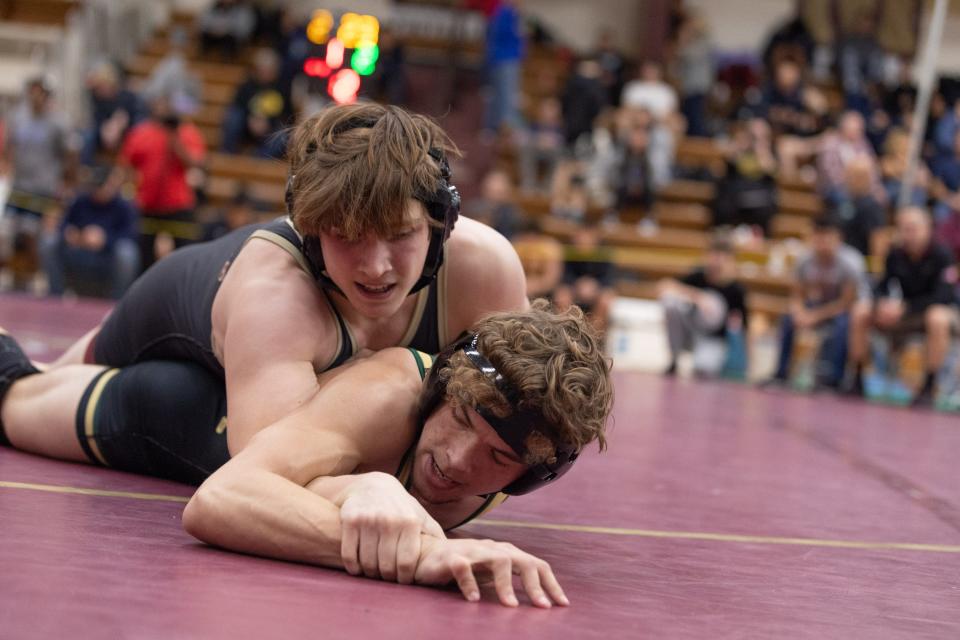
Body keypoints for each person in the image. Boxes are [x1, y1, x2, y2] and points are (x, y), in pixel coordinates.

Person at [0, 301, 613, 607]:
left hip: (261, 434)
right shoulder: (393, 391)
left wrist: (370, 491)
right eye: (459, 420)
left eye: (497, 458)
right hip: (170, 413)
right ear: (448, 387)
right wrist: (422, 552)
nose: (456, 461)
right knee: (10, 395)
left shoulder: (528, 436)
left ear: (533, 476)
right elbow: (218, 501)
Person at [45, 103, 529, 467]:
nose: (377, 266)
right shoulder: (275, 293)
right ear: (312, 231)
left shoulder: (485, 271)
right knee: (44, 383)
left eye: (401, 235)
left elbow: (536, 409)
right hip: (179, 300)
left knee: (169, 400)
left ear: (439, 222)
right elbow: (267, 473)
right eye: (347, 237)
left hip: (264, 369)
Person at [847, 207, 959, 406]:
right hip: (901, 315)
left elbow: (944, 296)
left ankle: (928, 385)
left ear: (927, 229)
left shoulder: (942, 254)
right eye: (904, 229)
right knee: (860, 311)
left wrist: (906, 308)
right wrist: (881, 304)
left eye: (913, 229)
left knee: (938, 317)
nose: (909, 234)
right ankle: (857, 378)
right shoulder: (896, 253)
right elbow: (881, 286)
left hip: (929, 314)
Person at [118, 96, 206, 270]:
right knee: (143, 258)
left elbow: (196, 162)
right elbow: (126, 164)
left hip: (178, 204)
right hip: (147, 203)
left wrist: (175, 141)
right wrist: (132, 187)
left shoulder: (186, 132)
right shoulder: (140, 133)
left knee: (186, 257)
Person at [769, 216, 858, 388]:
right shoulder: (804, 260)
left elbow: (846, 302)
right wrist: (799, 311)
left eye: (827, 237)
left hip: (842, 309)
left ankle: (833, 379)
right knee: (788, 318)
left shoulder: (850, 263)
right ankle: (781, 372)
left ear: (838, 239)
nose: (822, 242)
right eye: (819, 236)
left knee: (843, 324)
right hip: (817, 305)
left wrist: (814, 316)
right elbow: (797, 295)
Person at [39, 166, 140, 299]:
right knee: (49, 241)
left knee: (127, 252)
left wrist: (105, 239)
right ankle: (55, 293)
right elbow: (64, 224)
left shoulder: (124, 207)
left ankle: (117, 301)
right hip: (78, 252)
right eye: (98, 187)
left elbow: (130, 235)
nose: (101, 191)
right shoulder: (81, 200)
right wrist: (70, 234)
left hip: (107, 257)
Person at [657, 237, 748, 377]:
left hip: (712, 340)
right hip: (689, 332)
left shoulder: (736, 290)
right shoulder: (698, 277)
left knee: (703, 370)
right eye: (713, 256)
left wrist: (746, 361)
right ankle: (674, 358)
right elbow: (665, 285)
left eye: (721, 258)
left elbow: (743, 327)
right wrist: (698, 297)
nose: (716, 262)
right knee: (670, 302)